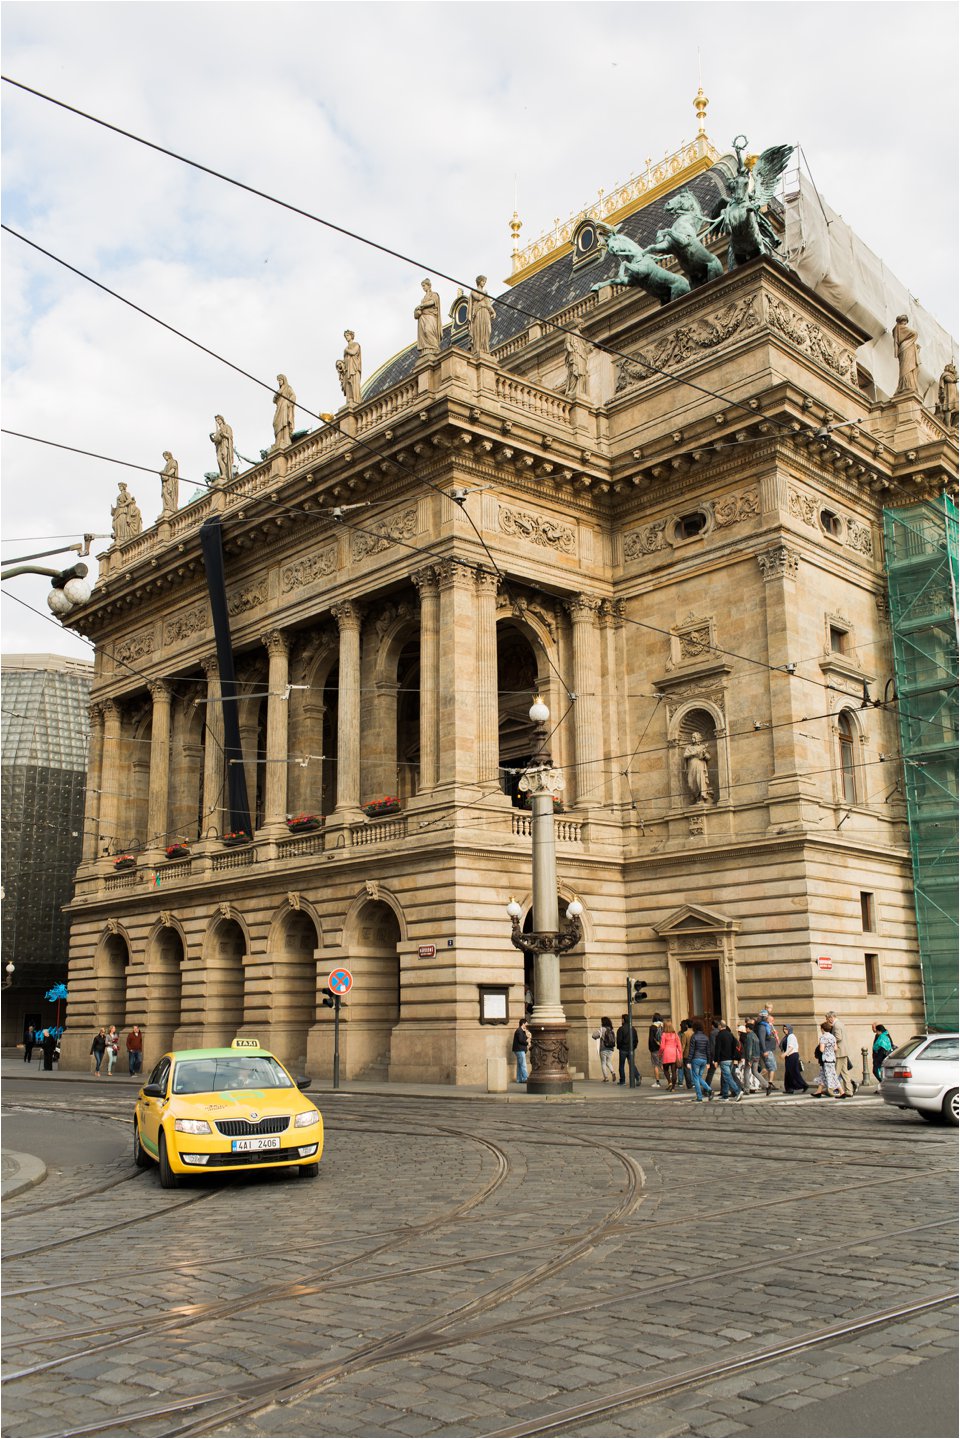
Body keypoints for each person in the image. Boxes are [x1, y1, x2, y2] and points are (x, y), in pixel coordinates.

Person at [825, 1010, 856, 1096]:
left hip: (839, 1051)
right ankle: (849, 1091)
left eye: (828, 1019)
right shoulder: (840, 1023)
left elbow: (838, 1037)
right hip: (843, 1051)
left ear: (831, 1017)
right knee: (844, 1072)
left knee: (835, 1071)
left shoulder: (837, 1025)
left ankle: (830, 1090)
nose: (827, 1021)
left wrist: (829, 1040)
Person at [713, 1020, 744, 1101]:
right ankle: (725, 1095)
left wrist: (716, 1060)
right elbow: (735, 1046)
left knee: (727, 1077)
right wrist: (734, 1058)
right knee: (726, 1077)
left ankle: (737, 1091)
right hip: (730, 1059)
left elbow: (717, 1048)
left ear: (720, 1026)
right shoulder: (730, 1034)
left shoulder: (719, 1035)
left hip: (723, 1059)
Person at [812, 1021, 842, 1098]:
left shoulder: (823, 1037)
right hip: (832, 1058)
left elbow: (822, 1049)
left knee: (832, 1076)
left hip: (826, 1059)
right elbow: (835, 1048)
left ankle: (842, 1092)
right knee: (823, 1075)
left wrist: (825, 1048)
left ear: (822, 1029)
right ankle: (818, 1092)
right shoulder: (833, 1037)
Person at [893, 314, 920, 396]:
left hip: (905, 348)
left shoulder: (897, 328)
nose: (905, 323)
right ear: (902, 321)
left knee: (907, 367)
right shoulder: (900, 327)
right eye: (905, 321)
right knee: (906, 367)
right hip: (905, 348)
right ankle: (906, 386)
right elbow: (914, 333)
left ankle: (907, 385)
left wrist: (916, 349)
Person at [467, 275, 494, 356]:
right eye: (483, 281)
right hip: (478, 313)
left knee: (488, 330)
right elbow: (478, 298)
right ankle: (478, 349)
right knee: (479, 330)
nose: (484, 283)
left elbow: (488, 304)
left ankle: (485, 349)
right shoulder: (474, 291)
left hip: (485, 312)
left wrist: (493, 312)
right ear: (479, 281)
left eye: (485, 282)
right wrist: (484, 293)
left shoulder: (485, 293)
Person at [687, 1020, 713, 1102]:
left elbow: (691, 1050)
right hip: (704, 1059)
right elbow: (708, 1051)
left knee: (696, 1078)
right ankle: (708, 1090)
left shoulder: (694, 1036)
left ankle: (700, 1096)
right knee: (698, 1077)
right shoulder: (706, 1037)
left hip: (696, 1059)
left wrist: (688, 1061)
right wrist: (708, 1062)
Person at [415, 279, 442, 357]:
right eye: (422, 286)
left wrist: (421, 305)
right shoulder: (423, 298)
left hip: (430, 316)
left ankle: (434, 348)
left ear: (429, 285)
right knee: (424, 334)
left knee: (428, 330)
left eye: (424, 286)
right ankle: (426, 349)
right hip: (422, 317)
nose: (423, 288)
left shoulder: (434, 294)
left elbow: (433, 302)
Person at [682, 733, 712, 802]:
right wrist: (692, 754)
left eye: (694, 737)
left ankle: (701, 798)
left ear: (698, 739)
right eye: (692, 737)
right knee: (691, 783)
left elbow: (708, 757)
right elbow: (685, 755)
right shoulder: (689, 748)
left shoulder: (702, 747)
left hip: (700, 765)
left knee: (700, 781)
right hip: (691, 766)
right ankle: (695, 797)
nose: (692, 739)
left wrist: (704, 753)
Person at [756, 1009, 779, 1091]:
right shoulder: (762, 1027)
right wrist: (765, 1050)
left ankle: (768, 1083)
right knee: (771, 1067)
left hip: (768, 1049)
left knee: (768, 1068)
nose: (767, 1018)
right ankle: (759, 1081)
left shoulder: (766, 1026)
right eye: (766, 1016)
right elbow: (762, 1039)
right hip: (766, 1050)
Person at [272, 374, 297, 450]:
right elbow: (273, 400)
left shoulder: (288, 388)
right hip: (279, 408)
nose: (279, 382)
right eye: (278, 381)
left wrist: (288, 403)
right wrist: (277, 394)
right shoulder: (279, 390)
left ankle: (284, 439)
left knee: (284, 422)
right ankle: (278, 440)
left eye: (280, 380)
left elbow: (293, 396)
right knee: (275, 423)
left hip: (284, 407)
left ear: (284, 380)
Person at [337, 331, 362, 404]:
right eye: (345, 336)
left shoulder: (356, 345)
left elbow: (353, 352)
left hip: (354, 368)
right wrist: (340, 364)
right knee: (348, 384)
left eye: (347, 335)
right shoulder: (346, 349)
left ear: (351, 336)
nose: (346, 337)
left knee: (354, 384)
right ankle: (350, 399)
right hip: (347, 369)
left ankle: (356, 400)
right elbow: (345, 360)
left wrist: (346, 350)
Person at [616, 1014, 640, 1086]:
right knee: (631, 1064)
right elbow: (636, 1040)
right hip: (631, 1049)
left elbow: (619, 1040)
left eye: (622, 1019)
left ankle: (622, 1080)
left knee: (621, 1065)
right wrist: (633, 1047)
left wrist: (619, 1047)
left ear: (623, 1019)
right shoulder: (633, 1029)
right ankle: (637, 1076)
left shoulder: (621, 1029)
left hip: (623, 1049)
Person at [782, 1024, 808, 1093]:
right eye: (784, 1029)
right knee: (788, 1072)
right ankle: (789, 1088)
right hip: (789, 1056)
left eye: (786, 1029)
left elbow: (791, 1047)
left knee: (793, 1072)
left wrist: (785, 1054)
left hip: (792, 1055)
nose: (785, 1030)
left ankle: (803, 1085)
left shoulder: (791, 1036)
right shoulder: (787, 1036)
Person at [658, 1022, 683, 1091]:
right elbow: (679, 1046)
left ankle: (669, 1082)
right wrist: (680, 1056)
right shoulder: (675, 1035)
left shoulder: (664, 1035)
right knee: (674, 1071)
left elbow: (662, 1047)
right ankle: (673, 1088)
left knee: (665, 1069)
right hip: (674, 1053)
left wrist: (659, 1054)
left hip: (666, 1053)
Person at [210, 415, 234, 482]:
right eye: (216, 420)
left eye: (218, 419)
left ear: (222, 419)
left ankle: (226, 475)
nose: (218, 421)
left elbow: (230, 436)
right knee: (219, 459)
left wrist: (224, 435)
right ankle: (223, 474)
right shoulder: (218, 431)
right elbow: (215, 440)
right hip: (219, 446)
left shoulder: (227, 427)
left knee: (225, 459)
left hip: (225, 444)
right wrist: (210, 436)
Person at [597, 1016, 617, 1082]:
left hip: (603, 1048)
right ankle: (613, 1072)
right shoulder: (611, 1029)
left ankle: (606, 1077)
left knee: (603, 1062)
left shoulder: (602, 1029)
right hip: (611, 1048)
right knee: (608, 1061)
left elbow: (594, 1035)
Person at [647, 1013, 665, 1087]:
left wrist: (650, 1048)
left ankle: (657, 1082)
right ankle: (669, 1076)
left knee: (655, 1065)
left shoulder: (652, 1027)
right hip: (662, 1048)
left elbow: (651, 1039)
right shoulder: (663, 1026)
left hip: (655, 1048)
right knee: (662, 1064)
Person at [511, 1018, 531, 1083]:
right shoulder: (519, 1031)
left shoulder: (521, 1031)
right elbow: (521, 1040)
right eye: (526, 1024)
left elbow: (523, 1039)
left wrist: (526, 1034)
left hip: (519, 1049)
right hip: (519, 1050)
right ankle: (525, 1078)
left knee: (520, 1065)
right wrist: (527, 1042)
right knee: (523, 1064)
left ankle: (519, 1079)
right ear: (523, 1024)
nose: (527, 1026)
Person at [160, 452, 179, 517]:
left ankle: (171, 508)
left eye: (165, 456)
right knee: (164, 493)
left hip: (170, 481)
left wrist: (167, 475)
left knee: (167, 493)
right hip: (166, 482)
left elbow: (173, 469)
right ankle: (167, 507)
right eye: (164, 456)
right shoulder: (166, 465)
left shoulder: (173, 461)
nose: (165, 457)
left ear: (169, 455)